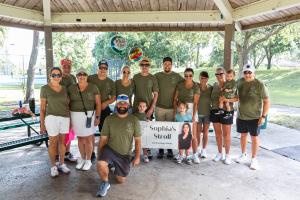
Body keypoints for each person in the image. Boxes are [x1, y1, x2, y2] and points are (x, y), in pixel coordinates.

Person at [96, 94, 141, 197]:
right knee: (101, 164)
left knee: (120, 180)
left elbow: (138, 140)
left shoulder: (134, 120)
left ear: (128, 105)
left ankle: (113, 165)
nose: (122, 105)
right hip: (110, 150)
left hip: (125, 154)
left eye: (124, 103)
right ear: (116, 105)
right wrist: (99, 157)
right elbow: (103, 139)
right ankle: (105, 183)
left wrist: (137, 157)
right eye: (120, 103)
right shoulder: (109, 119)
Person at [234, 64, 269, 170]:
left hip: (255, 117)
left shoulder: (260, 84)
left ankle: (254, 159)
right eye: (245, 72)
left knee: (254, 138)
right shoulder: (239, 82)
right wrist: (226, 98)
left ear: (254, 73)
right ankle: (243, 154)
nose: (247, 74)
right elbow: (235, 97)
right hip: (241, 116)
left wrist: (263, 116)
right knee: (243, 135)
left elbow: (266, 101)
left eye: (250, 72)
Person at [40, 67, 70, 177]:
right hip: (51, 118)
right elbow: (42, 109)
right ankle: (53, 166)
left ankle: (62, 163)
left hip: (65, 118)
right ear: (50, 76)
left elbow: (68, 105)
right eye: (54, 75)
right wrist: (42, 125)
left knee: (63, 142)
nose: (56, 77)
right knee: (52, 143)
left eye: (58, 75)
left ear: (61, 77)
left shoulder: (65, 89)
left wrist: (69, 119)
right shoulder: (45, 89)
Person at [68, 68, 101, 171]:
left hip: (89, 116)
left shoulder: (93, 87)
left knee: (88, 139)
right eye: (79, 74)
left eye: (84, 74)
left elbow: (98, 103)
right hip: (75, 115)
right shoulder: (71, 88)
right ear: (77, 76)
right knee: (80, 138)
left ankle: (88, 160)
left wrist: (97, 117)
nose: (82, 76)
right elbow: (67, 104)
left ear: (87, 76)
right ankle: (82, 159)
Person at [155, 56, 183, 159]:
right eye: (165, 64)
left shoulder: (177, 76)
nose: (167, 66)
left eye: (169, 64)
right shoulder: (157, 75)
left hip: (172, 108)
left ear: (172, 65)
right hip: (159, 108)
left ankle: (170, 149)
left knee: (170, 130)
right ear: (163, 65)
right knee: (160, 130)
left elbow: (185, 84)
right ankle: (161, 150)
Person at [88, 60, 116, 160]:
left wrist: (106, 103)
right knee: (89, 132)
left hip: (104, 109)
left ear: (107, 69)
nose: (103, 70)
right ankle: (90, 153)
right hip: (90, 109)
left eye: (105, 68)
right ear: (98, 68)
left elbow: (114, 97)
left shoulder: (110, 82)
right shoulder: (90, 78)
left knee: (104, 133)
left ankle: (104, 153)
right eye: (101, 67)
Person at [133, 57, 158, 159]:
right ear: (140, 66)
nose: (144, 67)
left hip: (148, 109)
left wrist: (152, 108)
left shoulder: (152, 78)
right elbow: (132, 91)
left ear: (149, 66)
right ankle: (137, 149)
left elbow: (156, 94)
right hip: (136, 108)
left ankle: (146, 150)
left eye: (146, 65)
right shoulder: (135, 77)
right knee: (137, 130)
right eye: (142, 65)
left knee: (147, 130)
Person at [173, 68, 200, 164]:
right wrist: (176, 110)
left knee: (193, 134)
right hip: (181, 109)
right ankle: (181, 154)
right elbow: (175, 98)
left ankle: (195, 154)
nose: (188, 77)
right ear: (184, 76)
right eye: (186, 75)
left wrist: (193, 116)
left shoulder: (196, 86)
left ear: (193, 75)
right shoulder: (180, 84)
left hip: (192, 109)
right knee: (181, 133)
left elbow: (196, 103)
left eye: (190, 75)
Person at [210, 67, 234, 165]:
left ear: (225, 74)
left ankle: (227, 155)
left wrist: (227, 100)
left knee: (226, 134)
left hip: (227, 111)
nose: (219, 76)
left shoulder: (230, 84)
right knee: (218, 134)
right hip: (215, 111)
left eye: (221, 74)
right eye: (217, 74)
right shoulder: (215, 85)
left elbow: (237, 98)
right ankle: (220, 153)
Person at [59, 58, 77, 162]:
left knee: (70, 131)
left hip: (73, 108)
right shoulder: (58, 78)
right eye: (64, 66)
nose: (66, 68)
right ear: (61, 67)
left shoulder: (73, 77)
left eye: (68, 66)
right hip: (62, 108)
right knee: (62, 132)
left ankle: (67, 152)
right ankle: (59, 154)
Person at [194, 71, 212, 158]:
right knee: (197, 132)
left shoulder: (210, 88)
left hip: (207, 113)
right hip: (198, 113)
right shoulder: (196, 87)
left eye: (205, 78)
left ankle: (204, 150)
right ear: (199, 78)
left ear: (207, 79)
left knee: (205, 132)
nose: (203, 80)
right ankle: (197, 149)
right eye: (202, 78)